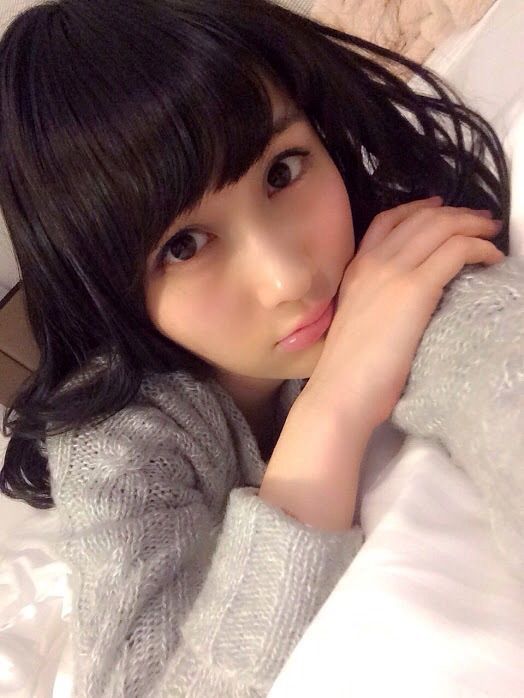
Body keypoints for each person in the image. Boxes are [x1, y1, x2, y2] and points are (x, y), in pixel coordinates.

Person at [0, 0, 521, 696]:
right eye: (183, 246)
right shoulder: (119, 437)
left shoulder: (395, 263)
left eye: (282, 171)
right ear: (106, 287)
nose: (289, 278)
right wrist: (334, 405)